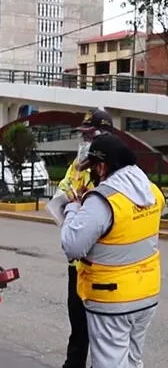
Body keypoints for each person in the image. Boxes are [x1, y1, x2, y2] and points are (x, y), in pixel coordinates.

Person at [60, 134, 164, 368]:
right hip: (146, 294)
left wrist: (74, 209)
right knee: (132, 361)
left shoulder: (103, 200)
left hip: (112, 299)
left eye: (93, 168)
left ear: (103, 166)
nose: (92, 174)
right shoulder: (151, 191)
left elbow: (72, 245)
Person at [57, 108, 113, 368]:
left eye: (91, 136)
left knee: (103, 334)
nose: (86, 141)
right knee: (78, 328)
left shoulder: (113, 168)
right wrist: (68, 203)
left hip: (102, 267)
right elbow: (63, 189)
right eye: (84, 135)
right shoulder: (77, 165)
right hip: (77, 266)